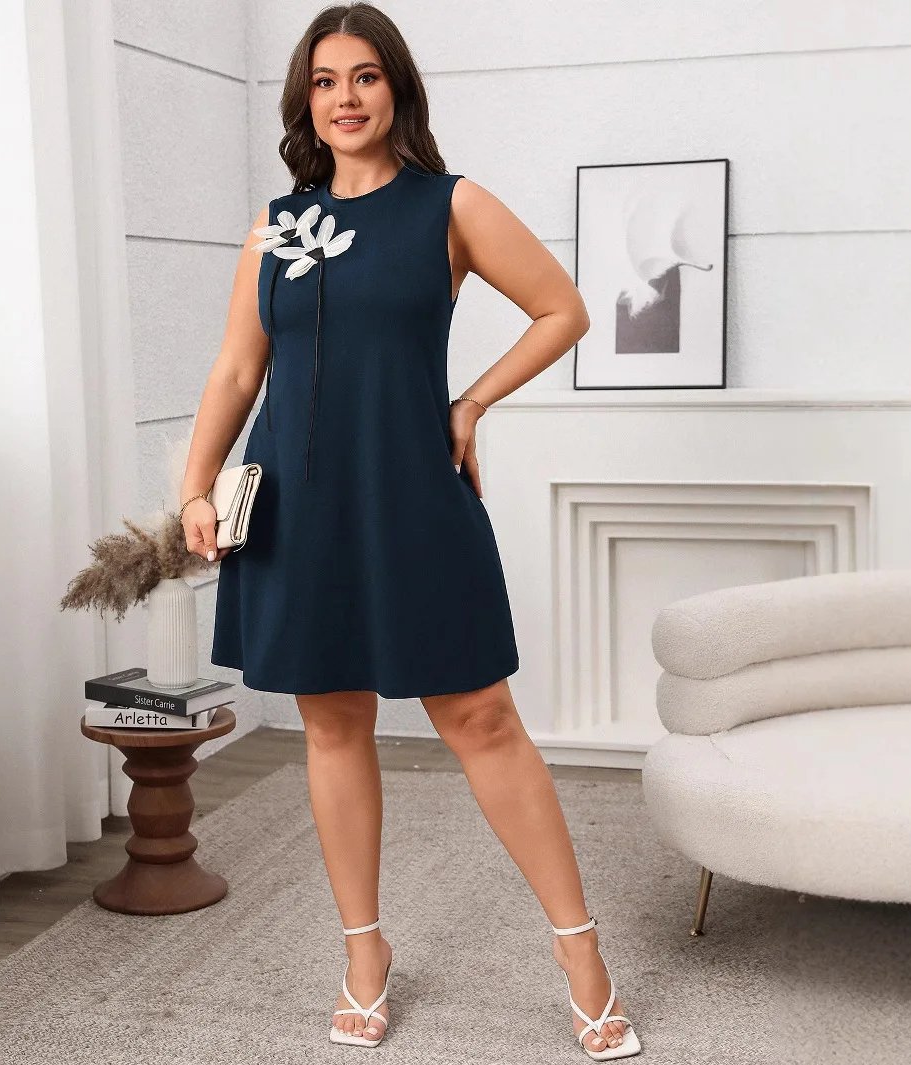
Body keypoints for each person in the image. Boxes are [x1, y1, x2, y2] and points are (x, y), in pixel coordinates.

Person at [179, 3, 640, 1058]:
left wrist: (471, 404)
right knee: (331, 722)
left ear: (397, 89)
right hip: (296, 499)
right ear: (303, 100)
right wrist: (198, 486)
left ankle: (579, 952)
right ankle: (363, 952)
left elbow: (563, 309)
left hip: (411, 492)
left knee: (480, 716)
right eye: (325, 80)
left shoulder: (450, 204)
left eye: (365, 76)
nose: (344, 97)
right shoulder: (276, 224)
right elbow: (239, 368)